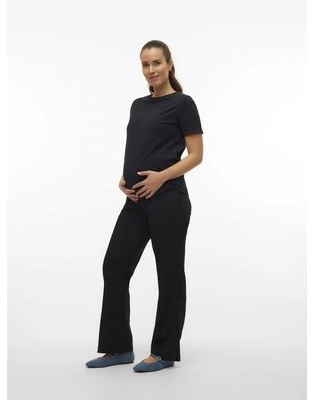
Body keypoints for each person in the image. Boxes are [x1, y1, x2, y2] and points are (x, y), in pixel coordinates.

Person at [85, 39, 204, 373]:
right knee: (115, 265)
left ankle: (164, 352)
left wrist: (160, 178)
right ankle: (118, 348)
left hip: (169, 199)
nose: (151, 70)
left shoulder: (183, 104)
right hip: (136, 200)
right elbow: (139, 147)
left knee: (169, 273)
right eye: (145, 64)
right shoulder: (138, 105)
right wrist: (124, 180)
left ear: (169, 64)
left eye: (156, 63)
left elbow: (196, 155)